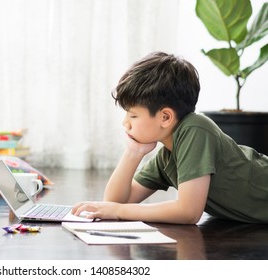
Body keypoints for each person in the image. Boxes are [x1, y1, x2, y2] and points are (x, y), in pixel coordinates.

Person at [72, 51, 268, 224]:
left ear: (165, 117)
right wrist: (133, 153)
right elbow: (113, 203)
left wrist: (119, 211)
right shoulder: (167, 155)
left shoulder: (195, 129)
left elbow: (188, 212)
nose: (125, 123)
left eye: (133, 115)